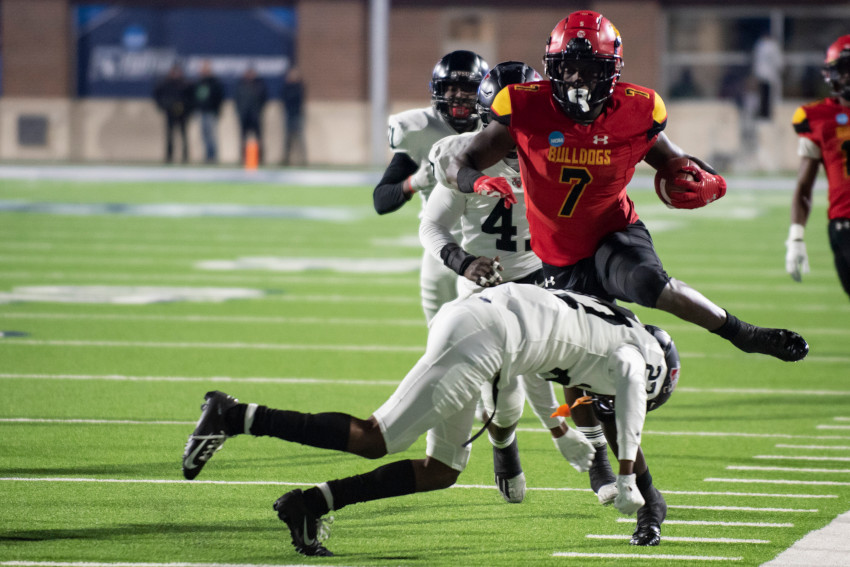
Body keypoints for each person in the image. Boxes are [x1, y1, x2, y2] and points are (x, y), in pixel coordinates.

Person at [445, 9, 808, 540]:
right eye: (567, 68)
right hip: (560, 263)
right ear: (551, 67)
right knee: (596, 383)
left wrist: (705, 182)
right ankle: (647, 499)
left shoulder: (638, 109)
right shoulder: (522, 105)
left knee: (644, 283)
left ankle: (741, 333)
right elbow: (462, 162)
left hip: (615, 234)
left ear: (611, 71)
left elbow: (676, 164)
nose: (576, 79)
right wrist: (477, 184)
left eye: (589, 69)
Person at [181, 283, 678, 556]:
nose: (598, 400)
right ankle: (237, 415)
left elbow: (537, 359)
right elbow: (633, 380)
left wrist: (558, 429)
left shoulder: (608, 330)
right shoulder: (640, 356)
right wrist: (629, 471)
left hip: (490, 328)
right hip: (486, 336)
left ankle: (310, 504)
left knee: (441, 469)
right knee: (377, 437)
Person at [421, 60, 565, 505]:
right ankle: (502, 445)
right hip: (477, 281)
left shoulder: (558, 149)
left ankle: (593, 452)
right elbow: (430, 227)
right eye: (505, 124)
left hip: (540, 276)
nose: (515, 135)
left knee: (563, 367)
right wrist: (462, 262)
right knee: (496, 389)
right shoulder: (460, 156)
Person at [373, 50, 489, 324]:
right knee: (440, 338)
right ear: (438, 91)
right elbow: (381, 200)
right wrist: (414, 182)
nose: (459, 96)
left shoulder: (496, 128)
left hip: (487, 247)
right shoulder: (420, 129)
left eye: (468, 88)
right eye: (451, 87)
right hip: (440, 248)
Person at [786, 34, 850, 299]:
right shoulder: (819, 119)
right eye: (845, 69)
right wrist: (796, 236)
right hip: (845, 227)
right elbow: (804, 186)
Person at [153, 63, 192, 163]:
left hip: (183, 114)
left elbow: (191, 99)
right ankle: (169, 156)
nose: (175, 74)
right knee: (169, 135)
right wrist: (166, 106)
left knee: (183, 135)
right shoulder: (166, 84)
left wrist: (185, 108)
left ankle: (185, 156)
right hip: (170, 113)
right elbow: (158, 96)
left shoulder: (185, 84)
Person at [234, 67, 268, 165]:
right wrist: (240, 111)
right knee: (243, 138)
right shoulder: (241, 85)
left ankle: (259, 158)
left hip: (255, 115)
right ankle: (244, 158)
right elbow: (237, 100)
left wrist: (258, 111)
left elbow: (263, 99)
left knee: (258, 138)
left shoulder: (259, 85)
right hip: (244, 115)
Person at [193, 61, 225, 164]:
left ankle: (212, 156)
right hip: (202, 111)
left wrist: (217, 110)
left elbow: (218, 97)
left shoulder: (214, 82)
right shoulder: (199, 82)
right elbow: (196, 97)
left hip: (210, 112)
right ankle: (208, 155)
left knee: (211, 134)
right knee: (204, 134)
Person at [752, 33, 784, 120]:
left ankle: (763, 113)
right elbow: (778, 61)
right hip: (768, 75)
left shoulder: (760, 45)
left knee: (763, 95)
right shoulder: (772, 46)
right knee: (766, 95)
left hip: (762, 74)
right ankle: (765, 114)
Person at [282, 67, 307, 166]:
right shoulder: (286, 87)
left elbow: (298, 99)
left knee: (300, 137)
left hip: (297, 114)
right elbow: (284, 98)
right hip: (288, 114)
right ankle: (286, 158)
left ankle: (303, 159)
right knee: (287, 138)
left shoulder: (299, 87)